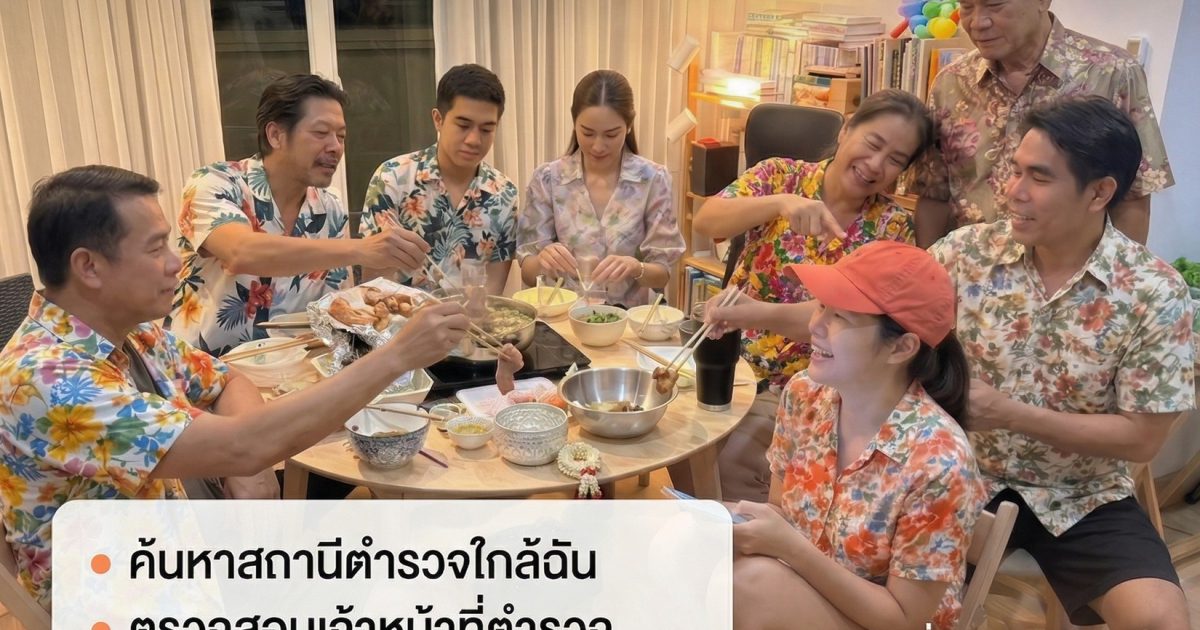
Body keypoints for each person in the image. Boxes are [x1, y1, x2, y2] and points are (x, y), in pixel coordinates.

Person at [711, 97, 1195, 629]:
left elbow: (1142, 439)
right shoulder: (967, 252)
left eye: (1038, 177)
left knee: (1161, 620)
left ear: (1099, 192)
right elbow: (869, 313)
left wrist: (1011, 414)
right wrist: (751, 312)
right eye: (1014, 170)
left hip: (1078, 493)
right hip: (947, 477)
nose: (1012, 190)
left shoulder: (1154, 292)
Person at [0, 165, 468, 610]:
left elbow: (226, 379)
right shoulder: (47, 379)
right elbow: (243, 444)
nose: (175, 263)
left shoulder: (131, 333)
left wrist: (250, 464)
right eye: (156, 248)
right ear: (89, 267)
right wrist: (396, 356)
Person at [690, 89, 935, 502]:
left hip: (812, 385)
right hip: (732, 361)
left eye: (895, 159)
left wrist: (754, 314)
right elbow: (706, 220)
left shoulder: (892, 229)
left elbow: (846, 324)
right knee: (676, 442)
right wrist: (780, 204)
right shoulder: (780, 176)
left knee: (724, 467)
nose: (876, 165)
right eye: (873, 143)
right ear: (846, 130)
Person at [730, 241, 982, 630]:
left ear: (902, 347)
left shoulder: (941, 461)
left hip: (887, 621)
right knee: (684, 544)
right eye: (820, 306)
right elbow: (782, 511)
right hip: (803, 586)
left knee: (750, 586)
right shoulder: (805, 395)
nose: (815, 325)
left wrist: (790, 549)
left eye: (840, 317)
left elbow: (903, 618)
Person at [166, 73, 429, 356]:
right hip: (201, 367)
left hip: (291, 368)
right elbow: (241, 252)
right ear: (276, 135)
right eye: (321, 133)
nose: (335, 147)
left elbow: (336, 308)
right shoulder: (215, 183)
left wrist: (386, 280)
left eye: (341, 136)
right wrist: (361, 249)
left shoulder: (329, 207)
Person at [912, 0, 1172, 246]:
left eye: (995, 5)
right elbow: (934, 192)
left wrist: (1116, 276)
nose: (978, 22)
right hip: (968, 267)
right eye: (967, 6)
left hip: (1070, 270)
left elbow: (1133, 195)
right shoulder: (951, 81)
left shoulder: (1110, 73)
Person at [517, 70, 684, 307]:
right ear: (574, 123)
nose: (598, 146)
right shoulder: (548, 179)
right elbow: (527, 271)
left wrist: (635, 268)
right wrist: (544, 260)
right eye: (587, 133)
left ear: (628, 125)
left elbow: (662, 273)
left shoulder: (653, 179)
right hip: (564, 319)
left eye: (611, 134)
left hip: (629, 320)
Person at [359, 64, 518, 296]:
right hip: (402, 317)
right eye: (463, 125)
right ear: (438, 119)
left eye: (486, 130)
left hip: (471, 318)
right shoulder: (392, 178)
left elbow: (493, 290)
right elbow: (374, 284)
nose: (474, 140)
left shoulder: (504, 193)